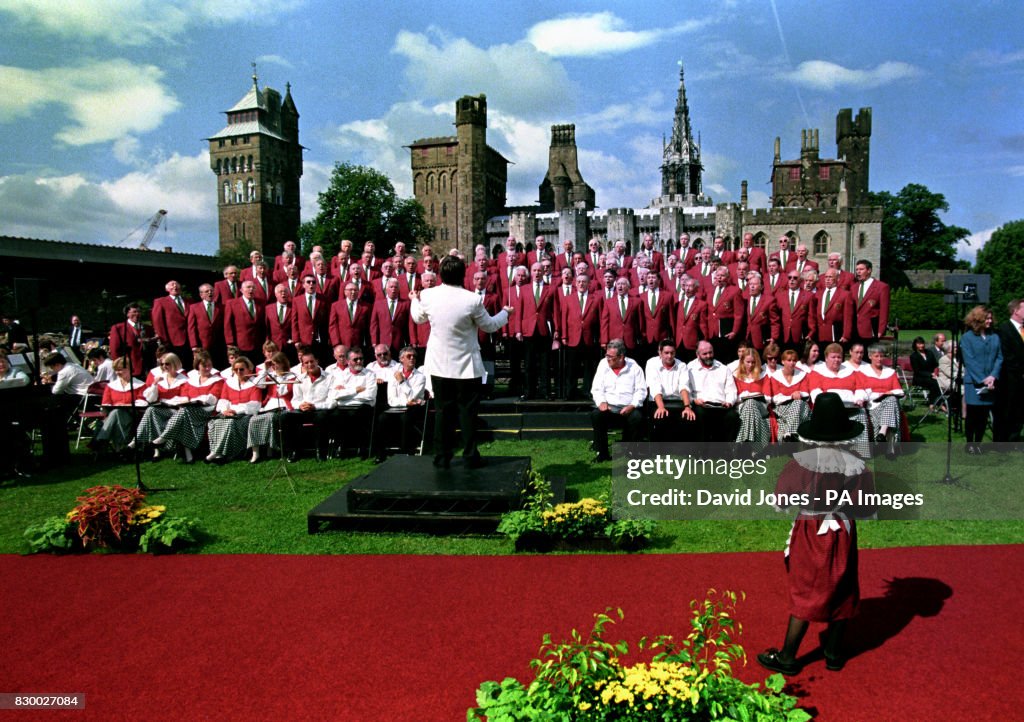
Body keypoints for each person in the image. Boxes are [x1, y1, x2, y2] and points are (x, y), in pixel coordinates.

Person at [757, 392, 876, 676]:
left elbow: (782, 498)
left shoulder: (802, 462)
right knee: (842, 586)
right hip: (843, 531)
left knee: (806, 589)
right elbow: (865, 505)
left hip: (812, 530)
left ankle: (788, 656)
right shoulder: (857, 464)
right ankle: (833, 653)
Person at [410, 255, 511, 468]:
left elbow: (418, 318)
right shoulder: (472, 299)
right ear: (463, 275)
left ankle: (442, 456)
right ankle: (469, 455)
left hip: (440, 365)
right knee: (467, 414)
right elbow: (490, 326)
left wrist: (413, 299)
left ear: (441, 275)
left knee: (443, 413)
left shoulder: (428, 295)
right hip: (466, 368)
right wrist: (505, 313)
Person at [590, 339, 646, 462]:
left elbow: (641, 390)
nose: (607, 358)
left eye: (610, 356)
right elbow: (596, 388)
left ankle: (632, 452)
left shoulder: (634, 367)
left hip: (628, 408)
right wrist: (601, 402)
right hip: (609, 407)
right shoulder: (603, 364)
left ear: (621, 357)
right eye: (606, 355)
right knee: (596, 415)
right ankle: (602, 453)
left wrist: (632, 405)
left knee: (637, 417)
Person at [134, 353, 191, 462]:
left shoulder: (183, 380)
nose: (164, 366)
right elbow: (150, 399)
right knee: (151, 411)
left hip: (176, 411)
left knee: (153, 413)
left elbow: (185, 398)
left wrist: (168, 401)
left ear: (174, 364)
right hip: (162, 409)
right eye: (162, 364)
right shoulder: (160, 379)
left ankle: (137, 441)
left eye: (167, 364)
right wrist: (154, 384)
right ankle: (155, 449)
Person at [282, 351, 336, 462]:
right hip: (304, 410)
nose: (310, 365)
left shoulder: (330, 378)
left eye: (312, 361)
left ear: (317, 361)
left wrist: (315, 406)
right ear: (303, 365)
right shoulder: (299, 379)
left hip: (320, 409)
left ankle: (320, 451)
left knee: (321, 418)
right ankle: (293, 451)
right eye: (306, 363)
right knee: (285, 417)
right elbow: (295, 400)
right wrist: (300, 405)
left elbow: (333, 401)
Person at [206, 356, 261, 462]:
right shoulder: (229, 383)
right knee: (215, 422)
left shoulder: (255, 384)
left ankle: (218, 451)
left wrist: (236, 410)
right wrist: (225, 410)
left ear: (249, 369)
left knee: (230, 423)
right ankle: (219, 453)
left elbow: (255, 404)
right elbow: (223, 400)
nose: (238, 372)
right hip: (229, 412)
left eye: (241, 369)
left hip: (245, 414)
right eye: (236, 369)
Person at [962, 306, 1001, 454]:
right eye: (987, 318)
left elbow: (999, 357)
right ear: (978, 319)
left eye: (991, 318)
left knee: (984, 414)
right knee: (973, 413)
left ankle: (978, 442)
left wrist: (993, 376)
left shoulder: (995, 336)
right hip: (974, 382)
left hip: (991, 382)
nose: (990, 321)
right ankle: (970, 443)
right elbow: (969, 361)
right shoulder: (967, 338)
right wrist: (982, 379)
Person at [379, 346, 429, 459]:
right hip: (398, 406)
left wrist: (402, 382)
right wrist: (406, 402)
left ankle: (405, 451)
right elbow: (391, 400)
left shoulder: (420, 377)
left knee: (405, 418)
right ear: (401, 359)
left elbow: (413, 397)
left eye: (414, 356)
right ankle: (381, 453)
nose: (412, 358)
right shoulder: (394, 375)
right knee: (382, 418)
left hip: (415, 409)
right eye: (409, 356)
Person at [684, 340, 739, 443]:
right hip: (701, 405)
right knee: (699, 414)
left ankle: (725, 450)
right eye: (705, 354)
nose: (708, 356)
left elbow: (731, 389)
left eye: (710, 352)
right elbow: (686, 389)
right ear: (698, 354)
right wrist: (694, 400)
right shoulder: (690, 368)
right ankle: (701, 452)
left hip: (721, 406)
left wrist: (729, 402)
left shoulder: (723, 368)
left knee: (732, 416)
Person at [327, 348, 377, 458]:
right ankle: (340, 447)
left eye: (361, 359)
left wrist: (345, 393)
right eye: (355, 359)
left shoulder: (370, 374)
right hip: (344, 408)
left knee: (359, 414)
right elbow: (335, 395)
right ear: (348, 361)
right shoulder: (341, 375)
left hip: (363, 406)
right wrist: (355, 390)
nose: (359, 361)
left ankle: (362, 447)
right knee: (335, 416)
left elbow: (369, 396)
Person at [248, 352, 296, 463]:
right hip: (270, 404)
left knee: (272, 419)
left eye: (276, 364)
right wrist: (266, 370)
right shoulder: (271, 374)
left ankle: (273, 448)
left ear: (282, 363)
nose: (274, 367)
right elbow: (258, 384)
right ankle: (256, 452)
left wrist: (279, 377)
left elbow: (284, 392)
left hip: (284, 404)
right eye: (272, 364)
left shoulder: (290, 376)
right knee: (253, 420)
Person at [92, 356, 146, 455]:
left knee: (117, 413)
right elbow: (106, 403)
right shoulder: (111, 386)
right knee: (117, 413)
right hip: (113, 415)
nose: (117, 373)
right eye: (116, 370)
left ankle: (101, 439)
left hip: (133, 415)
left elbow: (143, 401)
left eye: (120, 370)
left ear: (129, 369)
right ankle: (121, 449)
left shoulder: (140, 385)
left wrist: (127, 404)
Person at [859, 344, 904, 453]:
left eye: (882, 356)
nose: (879, 359)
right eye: (876, 356)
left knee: (891, 400)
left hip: (888, 403)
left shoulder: (890, 372)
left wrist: (889, 392)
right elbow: (863, 391)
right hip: (873, 405)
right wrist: (879, 394)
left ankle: (881, 433)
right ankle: (889, 448)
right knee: (892, 404)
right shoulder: (863, 372)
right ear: (870, 356)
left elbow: (899, 391)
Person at [644, 340, 690, 442]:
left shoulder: (682, 365)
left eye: (672, 353)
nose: (669, 356)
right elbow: (654, 386)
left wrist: (687, 407)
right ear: (660, 353)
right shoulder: (651, 363)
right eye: (666, 353)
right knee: (660, 416)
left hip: (678, 402)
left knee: (688, 416)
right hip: (657, 401)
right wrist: (661, 407)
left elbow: (684, 387)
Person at [995, 298, 1024, 443]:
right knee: (1008, 410)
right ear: (1015, 311)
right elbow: (1007, 356)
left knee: (1020, 410)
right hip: (1009, 379)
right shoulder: (1004, 330)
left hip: (1021, 379)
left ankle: (1015, 438)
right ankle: (1003, 441)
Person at [767, 349, 810, 442]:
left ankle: (788, 435)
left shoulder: (802, 375)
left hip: (800, 406)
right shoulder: (775, 377)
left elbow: (806, 393)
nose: (792, 363)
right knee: (796, 405)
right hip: (782, 407)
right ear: (783, 361)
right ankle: (791, 436)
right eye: (789, 360)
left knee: (798, 404)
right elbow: (776, 399)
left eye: (794, 360)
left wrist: (800, 393)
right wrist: (791, 396)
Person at [733, 347, 770, 453]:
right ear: (742, 361)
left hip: (761, 406)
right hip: (741, 406)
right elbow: (733, 396)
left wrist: (752, 396)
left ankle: (742, 445)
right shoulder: (735, 375)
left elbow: (767, 397)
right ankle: (754, 448)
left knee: (751, 404)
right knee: (749, 405)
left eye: (753, 362)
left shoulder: (763, 375)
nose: (750, 365)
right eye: (748, 362)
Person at [909, 336, 942, 410]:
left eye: (922, 343)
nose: (921, 345)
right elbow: (917, 371)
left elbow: (935, 364)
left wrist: (936, 372)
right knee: (934, 383)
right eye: (919, 344)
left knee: (939, 381)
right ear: (915, 345)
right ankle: (932, 403)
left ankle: (938, 402)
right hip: (919, 378)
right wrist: (930, 374)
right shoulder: (913, 356)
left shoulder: (929, 353)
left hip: (932, 376)